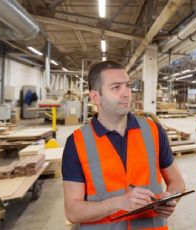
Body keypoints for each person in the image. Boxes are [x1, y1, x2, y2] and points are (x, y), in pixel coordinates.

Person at [62, 61, 185, 229]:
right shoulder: (77, 143)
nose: (126, 93)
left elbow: (177, 182)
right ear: (95, 97)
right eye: (116, 87)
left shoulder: (153, 131)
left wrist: (171, 198)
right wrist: (118, 203)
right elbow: (72, 211)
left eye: (127, 86)